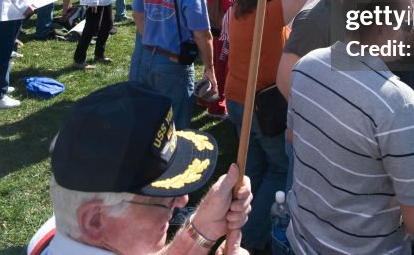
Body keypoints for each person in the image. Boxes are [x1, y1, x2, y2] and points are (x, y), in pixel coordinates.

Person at [287, 0, 414, 254]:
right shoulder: (399, 103)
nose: (410, 34)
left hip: (303, 238)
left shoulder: (305, 65)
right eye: (407, 26)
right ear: (384, 29)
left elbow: (293, 136)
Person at [26, 81, 252, 255]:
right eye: (161, 200)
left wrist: (203, 228)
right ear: (94, 220)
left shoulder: (56, 232)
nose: (182, 201)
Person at [224, 0, 340, 252]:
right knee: (278, 169)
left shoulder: (239, 8)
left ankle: (241, 232)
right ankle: (252, 237)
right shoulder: (270, 12)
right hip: (261, 105)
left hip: (237, 100)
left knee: (255, 168)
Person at [130, 0, 214, 130]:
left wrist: (150, 37)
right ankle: (171, 161)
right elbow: (202, 34)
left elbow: (137, 14)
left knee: (149, 119)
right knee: (175, 125)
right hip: (173, 63)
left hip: (147, 57)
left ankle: (149, 159)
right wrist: (210, 68)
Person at [201, 0, 240, 120]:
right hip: (222, 32)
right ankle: (215, 106)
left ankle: (203, 97)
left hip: (208, 29)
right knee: (220, 69)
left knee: (210, 65)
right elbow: (229, 7)